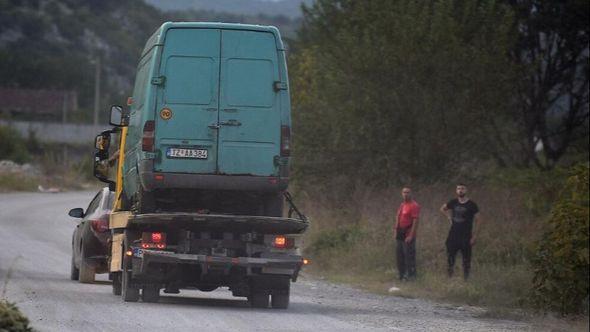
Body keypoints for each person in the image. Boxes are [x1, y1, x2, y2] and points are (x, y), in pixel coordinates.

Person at [440, 184, 480, 280]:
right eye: (458, 189)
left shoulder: (471, 204)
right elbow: (442, 209)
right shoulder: (453, 202)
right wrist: (449, 217)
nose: (460, 190)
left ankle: (466, 279)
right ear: (456, 190)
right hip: (453, 235)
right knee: (450, 258)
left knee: (466, 260)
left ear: (466, 190)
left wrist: (474, 237)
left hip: (466, 236)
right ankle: (449, 278)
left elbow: (479, 220)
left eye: (462, 189)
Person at [394, 187, 420, 281]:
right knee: (399, 254)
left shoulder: (414, 205)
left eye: (408, 192)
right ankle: (401, 275)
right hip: (400, 232)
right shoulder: (402, 204)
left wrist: (411, 235)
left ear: (411, 193)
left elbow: (415, 221)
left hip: (408, 233)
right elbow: (398, 217)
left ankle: (411, 276)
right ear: (401, 193)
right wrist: (395, 230)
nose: (406, 194)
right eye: (404, 192)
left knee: (408, 255)